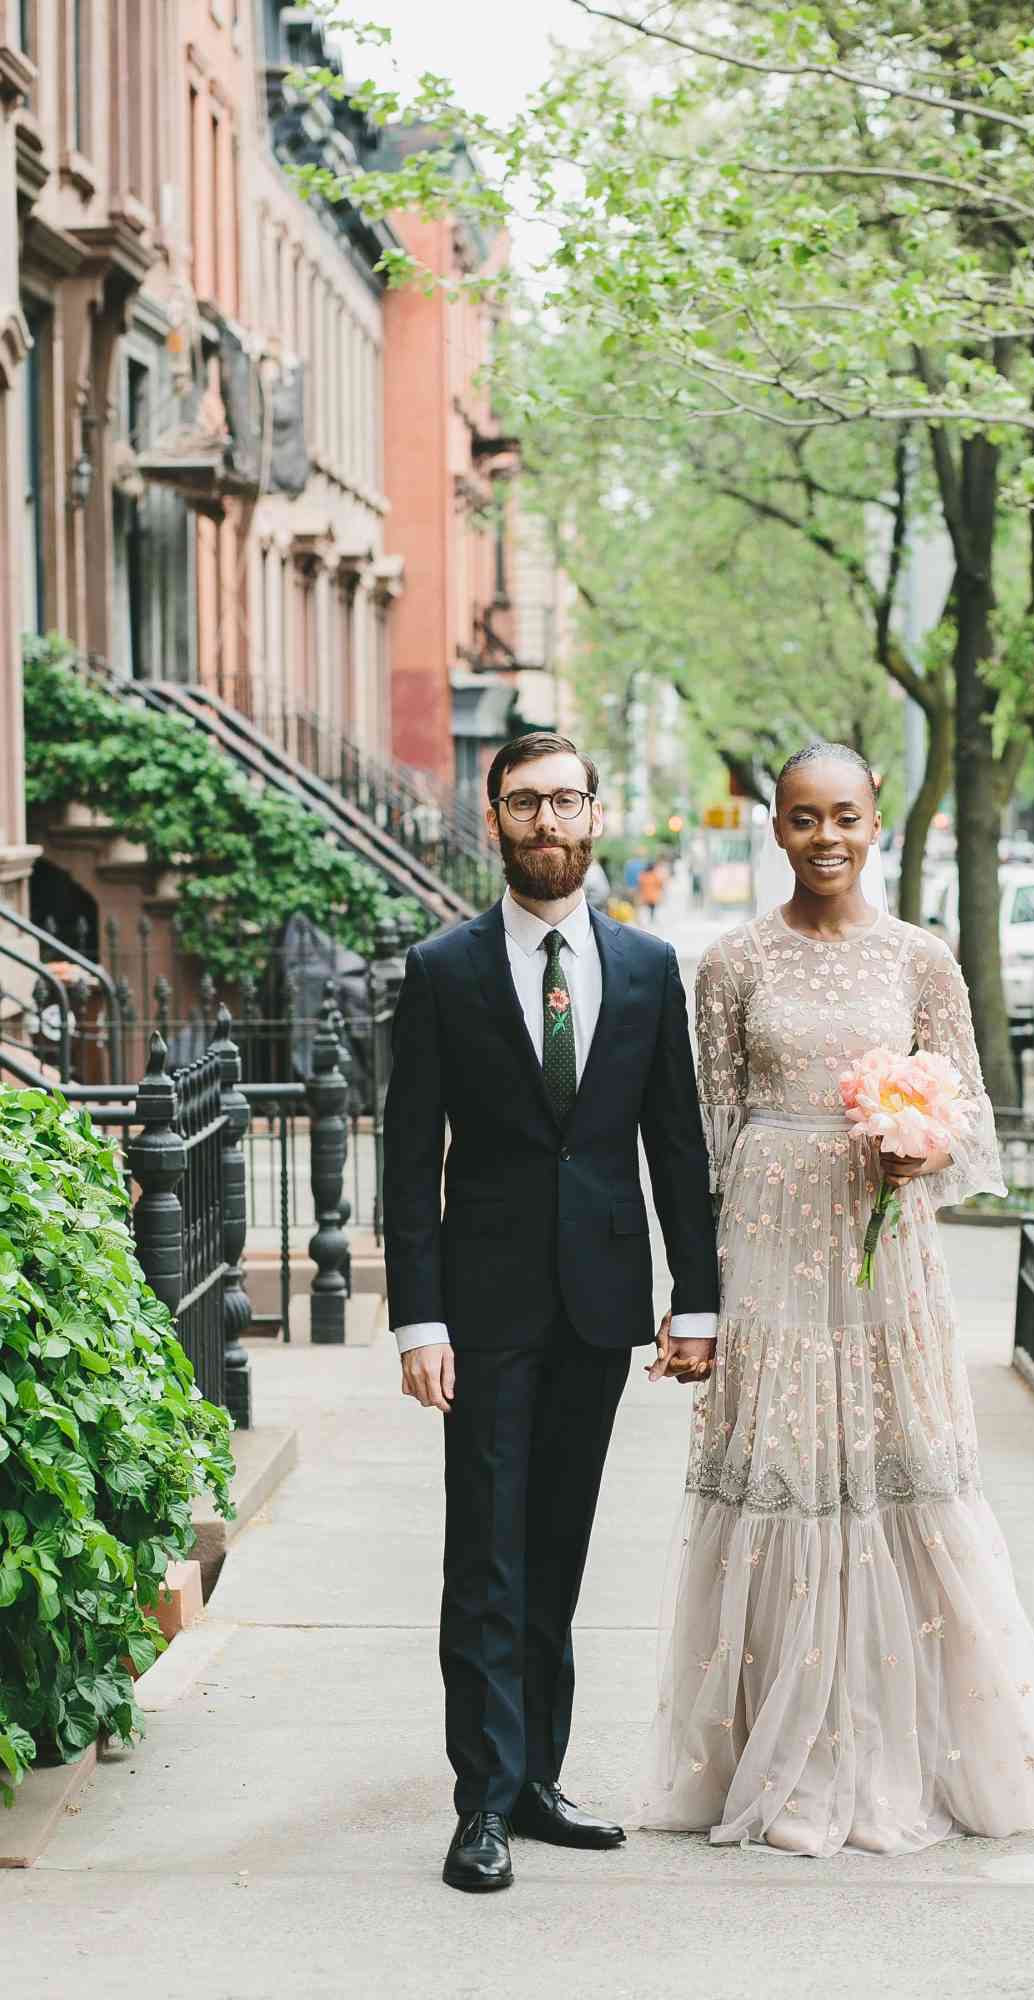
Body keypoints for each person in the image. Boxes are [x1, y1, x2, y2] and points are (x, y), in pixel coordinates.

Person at [641, 742, 1034, 1854]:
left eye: (842, 815)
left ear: (874, 820)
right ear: (775, 825)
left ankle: (900, 1750)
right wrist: (696, 1298)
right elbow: (707, 1137)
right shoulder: (730, 962)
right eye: (801, 818)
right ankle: (779, 1756)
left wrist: (920, 1149)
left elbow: (975, 1111)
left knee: (898, 1480)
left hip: (886, 1256)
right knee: (782, 1486)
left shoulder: (922, 959)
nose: (824, 837)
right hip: (769, 1251)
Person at [383, 732, 720, 1894]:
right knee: (484, 1549)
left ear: (594, 813)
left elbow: (675, 1145)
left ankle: (537, 1779)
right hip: (478, 1312)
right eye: (523, 801)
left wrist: (700, 1299)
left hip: (598, 1303)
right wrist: (416, 1321)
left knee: (557, 1552)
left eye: (564, 798)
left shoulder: (644, 966)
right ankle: (479, 1799)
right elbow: (405, 1159)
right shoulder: (440, 969)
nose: (545, 820)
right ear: (493, 819)